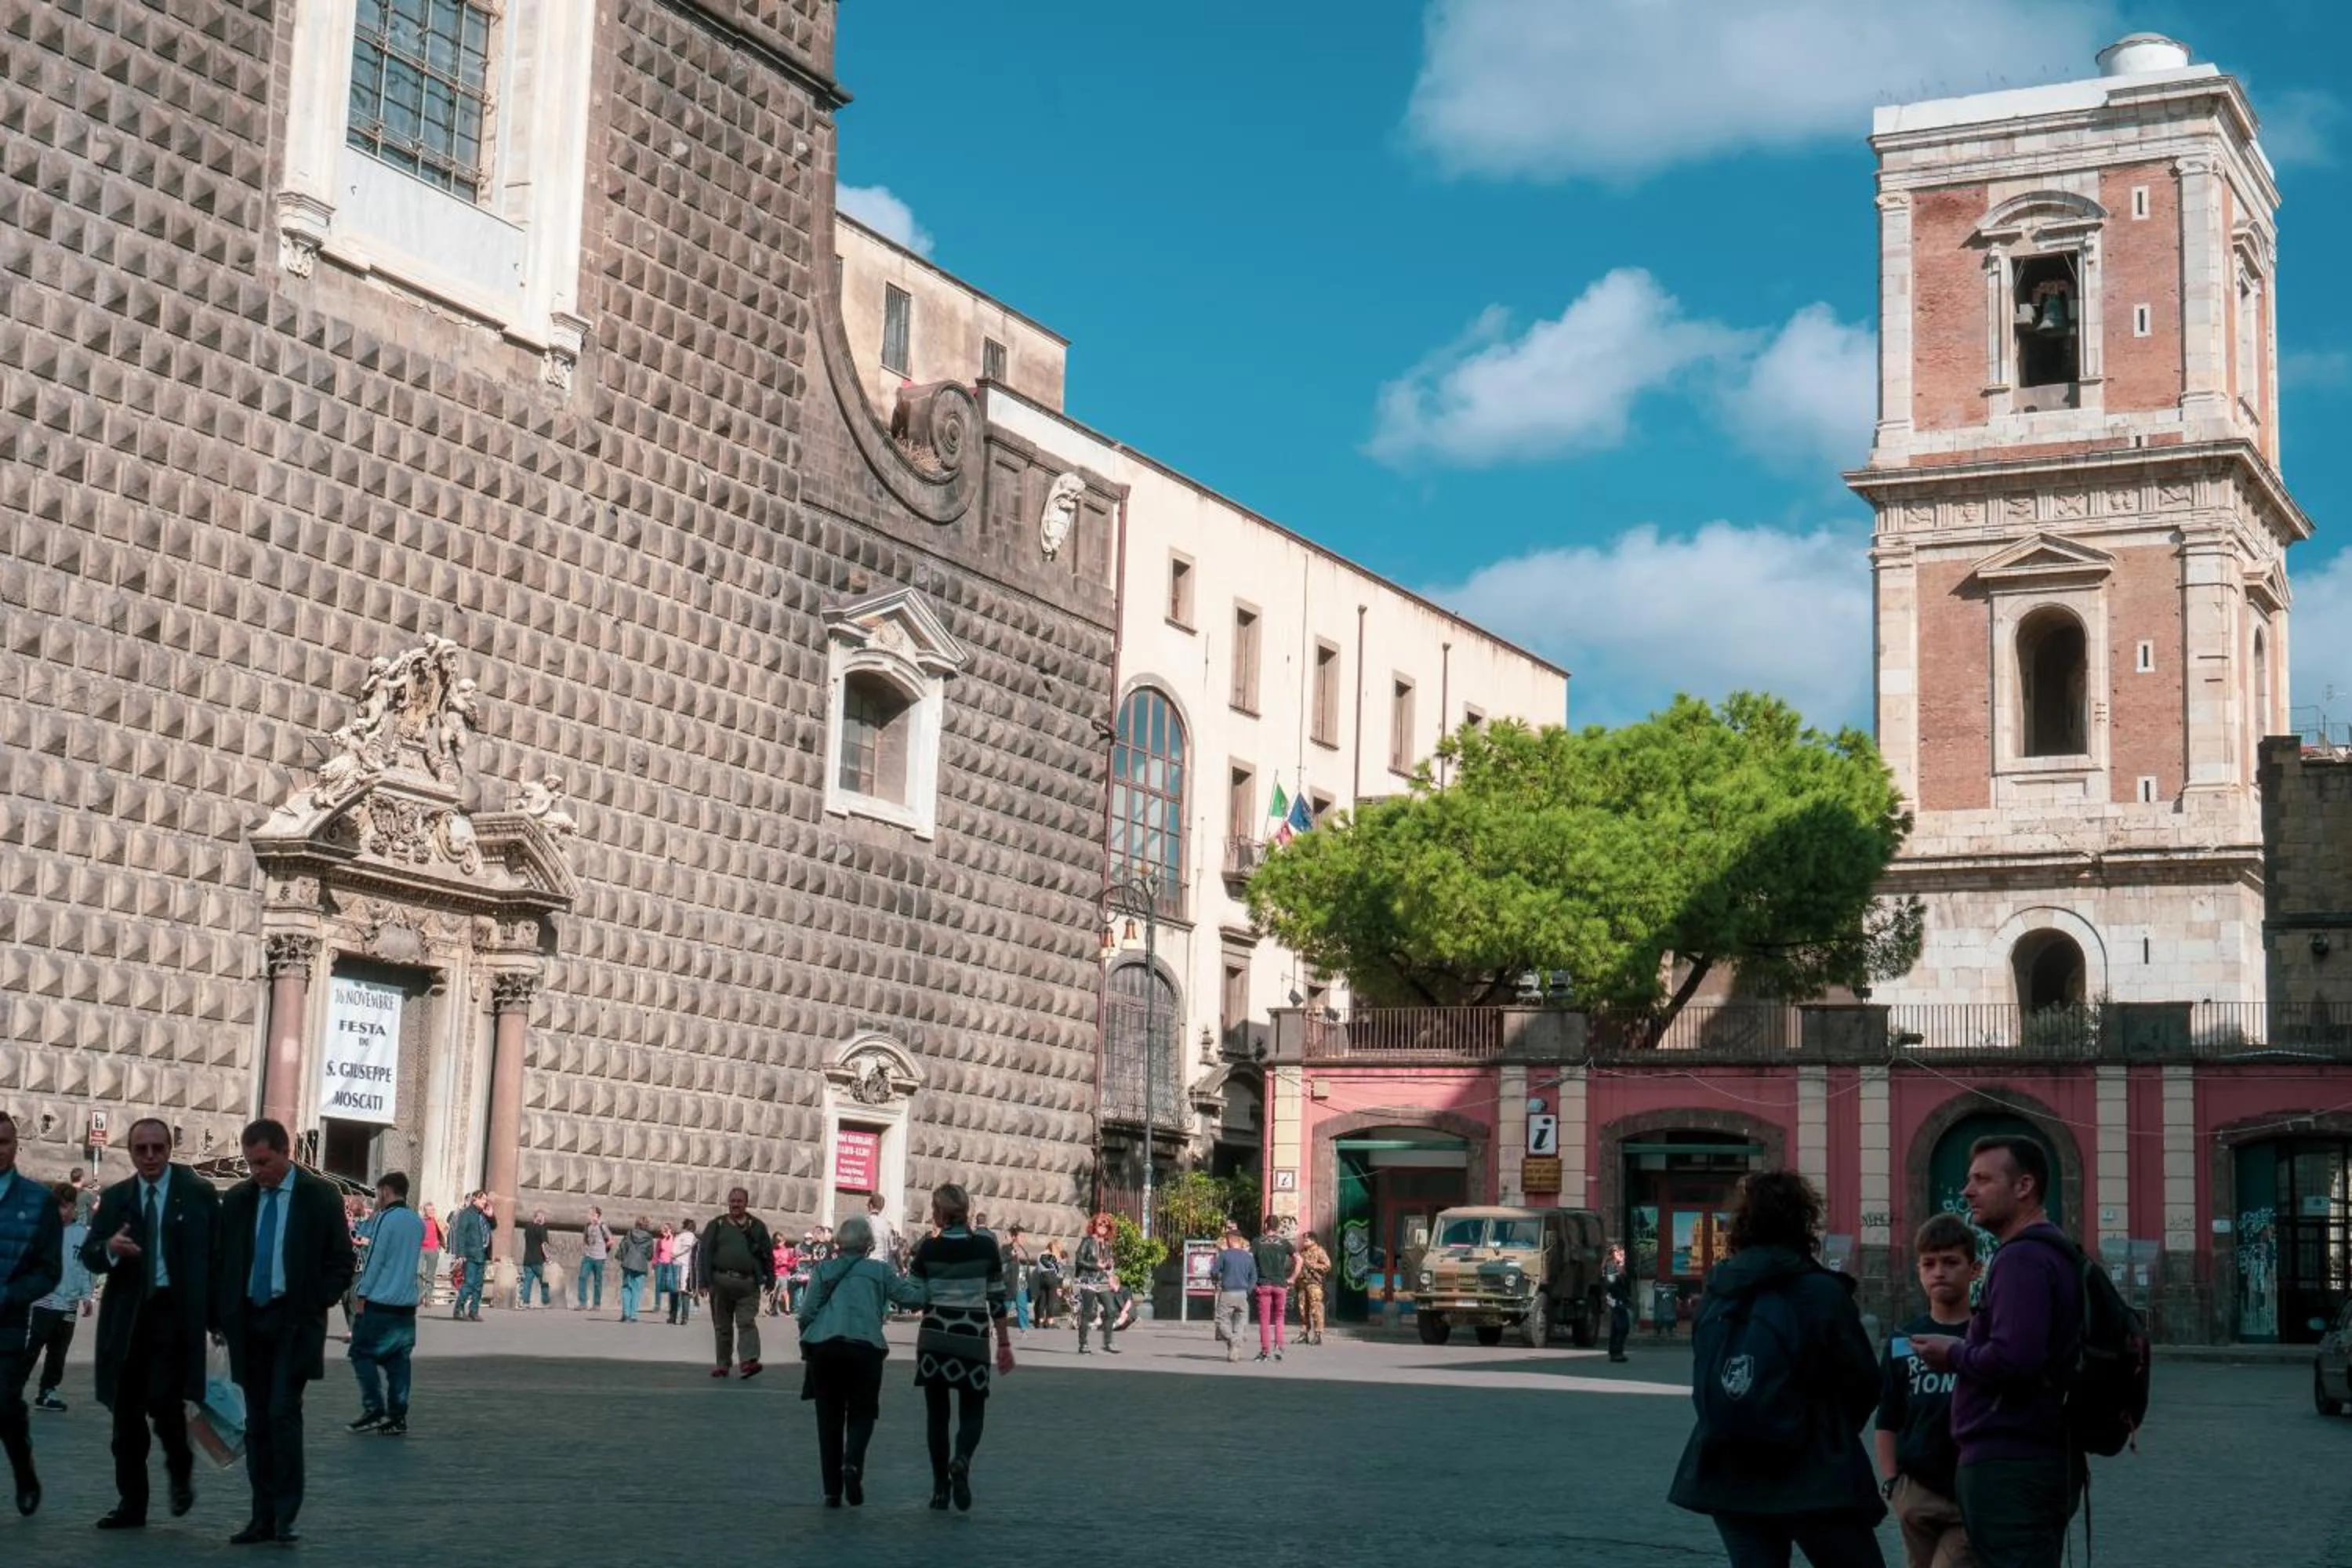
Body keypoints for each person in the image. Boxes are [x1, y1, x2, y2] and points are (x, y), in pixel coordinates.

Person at [1667, 1169, 1886, 1568]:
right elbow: (1865, 1382)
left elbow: (1705, 1370)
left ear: (1741, 1224)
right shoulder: (1822, 1293)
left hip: (1728, 1469)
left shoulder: (1718, 1290)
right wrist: (1831, 1429)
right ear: (1804, 1221)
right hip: (1813, 1471)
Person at [1911, 1138, 2084, 1568]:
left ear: (2024, 1186)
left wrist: (1954, 1354)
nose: (1968, 1190)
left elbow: (2014, 1359)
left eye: (1983, 1179)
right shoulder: (2052, 1250)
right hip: (2037, 1454)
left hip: (2012, 1462)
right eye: (1970, 1179)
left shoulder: (2021, 1259)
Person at [215, 1117, 358, 1547]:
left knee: (282, 1414)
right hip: (249, 1322)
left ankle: (285, 1514)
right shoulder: (239, 1200)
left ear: (285, 1153)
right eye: (251, 1163)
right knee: (256, 1422)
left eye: (264, 1162)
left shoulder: (319, 1196)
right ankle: (261, 1515)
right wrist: (221, 1313)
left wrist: (317, 1300)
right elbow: (223, 1259)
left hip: (293, 1323)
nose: (258, 1171)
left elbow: (341, 1260)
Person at [82, 1115, 217, 1530]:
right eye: (141, 1149)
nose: (150, 1156)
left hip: (175, 1317)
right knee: (125, 1418)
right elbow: (88, 1253)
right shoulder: (119, 1196)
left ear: (170, 1150)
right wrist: (110, 1248)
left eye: (158, 1148)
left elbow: (218, 1256)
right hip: (128, 1319)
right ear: (131, 1152)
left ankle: (180, 1473)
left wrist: (218, 1316)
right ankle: (131, 1504)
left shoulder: (198, 1193)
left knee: (165, 1406)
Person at [797, 1212, 927, 1507]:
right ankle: (852, 1463)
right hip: (865, 1349)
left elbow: (807, 1312)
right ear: (868, 1244)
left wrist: (808, 1339)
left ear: (840, 1243)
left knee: (828, 1420)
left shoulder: (824, 1270)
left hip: (825, 1350)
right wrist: (930, 1281)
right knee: (863, 1412)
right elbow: (911, 1298)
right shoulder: (879, 1271)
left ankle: (832, 1492)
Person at [1876, 1214, 1980, 1568]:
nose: (1939, 1272)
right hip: (1916, 1490)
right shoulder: (1903, 1340)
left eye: (1951, 1262)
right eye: (1929, 1264)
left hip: (1972, 1490)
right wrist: (1892, 1482)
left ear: (1974, 1269)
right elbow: (1888, 1415)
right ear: (1918, 1271)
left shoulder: (1989, 1336)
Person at [906, 1183, 1014, 1512]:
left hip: (935, 1337)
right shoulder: (985, 1246)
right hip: (972, 1338)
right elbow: (997, 1299)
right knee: (973, 1409)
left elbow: (914, 1297)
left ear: (938, 1213)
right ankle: (963, 1459)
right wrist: (1004, 1344)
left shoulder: (927, 1249)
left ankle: (940, 1488)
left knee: (937, 1416)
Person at [0, 1112, 64, 1517]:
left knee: (4, 1405)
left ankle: (24, 1471)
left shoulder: (36, 1200)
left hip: (5, 1322)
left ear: (15, 1146)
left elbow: (49, 1270)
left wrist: (9, 1294)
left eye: (4, 1142)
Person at [347, 1171, 426, 1437]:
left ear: (386, 1192)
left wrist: (362, 1294)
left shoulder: (386, 1219)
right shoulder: (417, 1222)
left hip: (381, 1301)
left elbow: (376, 1260)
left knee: (360, 1353)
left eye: (379, 1193)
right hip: (406, 1304)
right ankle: (397, 1416)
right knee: (399, 1362)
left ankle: (374, 1407)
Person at [24, 1181, 93, 1413]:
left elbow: (84, 1267)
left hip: (69, 1304)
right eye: (57, 1207)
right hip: (45, 1301)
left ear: (74, 1207)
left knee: (59, 1351)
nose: (62, 1212)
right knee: (32, 1348)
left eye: (66, 1207)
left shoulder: (81, 1234)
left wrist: (87, 1295)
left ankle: (48, 1391)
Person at [696, 1189, 771, 1375]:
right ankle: (723, 1364)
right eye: (732, 1201)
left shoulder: (757, 1226)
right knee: (722, 1325)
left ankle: (748, 1361)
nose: (735, 1204)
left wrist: (771, 1278)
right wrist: (703, 1281)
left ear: (746, 1203)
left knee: (746, 1322)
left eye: (739, 1201)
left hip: (748, 1284)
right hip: (720, 1282)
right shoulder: (717, 1225)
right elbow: (704, 1253)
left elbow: (767, 1254)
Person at [1250, 1212, 1298, 1363]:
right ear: (1278, 1227)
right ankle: (1279, 1349)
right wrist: (1292, 1278)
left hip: (1263, 1284)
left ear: (1266, 1226)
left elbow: (1250, 1261)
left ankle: (1265, 1351)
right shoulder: (1284, 1243)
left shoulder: (1257, 1242)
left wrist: (1252, 1281)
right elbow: (1299, 1259)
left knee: (1264, 1320)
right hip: (1280, 1285)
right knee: (1279, 1318)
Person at [1207, 1225, 1258, 1362]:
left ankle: (1232, 1340)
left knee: (1221, 1321)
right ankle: (1235, 1348)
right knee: (1241, 1323)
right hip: (1243, 1294)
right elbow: (1254, 1276)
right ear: (1240, 1240)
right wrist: (1248, 1290)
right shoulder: (1248, 1257)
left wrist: (1215, 1281)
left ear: (1230, 1240)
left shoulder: (1224, 1255)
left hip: (1227, 1293)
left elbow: (1214, 1272)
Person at [1073, 1213, 1118, 1356]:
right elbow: (1079, 1260)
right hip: (1088, 1279)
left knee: (1111, 1310)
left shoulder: (1107, 1244)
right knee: (1087, 1312)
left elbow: (1108, 1265)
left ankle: (1107, 1343)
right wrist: (1095, 1265)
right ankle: (1083, 1343)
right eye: (1100, 1224)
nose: (1103, 1227)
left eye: (1106, 1225)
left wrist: (1110, 1272)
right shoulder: (1087, 1241)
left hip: (1102, 1280)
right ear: (1094, 1226)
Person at [448, 1192, 489, 1321]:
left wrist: (492, 1217)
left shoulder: (483, 1215)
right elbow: (461, 1234)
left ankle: (474, 1311)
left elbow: (493, 1228)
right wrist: (460, 1253)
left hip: (482, 1254)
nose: (485, 1202)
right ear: (475, 1199)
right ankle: (459, 1309)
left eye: (486, 1200)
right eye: (483, 1199)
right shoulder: (467, 1213)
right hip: (470, 1254)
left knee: (478, 1285)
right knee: (469, 1283)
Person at [614, 1214, 655, 1323]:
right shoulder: (649, 1238)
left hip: (628, 1263)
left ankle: (626, 1314)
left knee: (626, 1288)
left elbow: (623, 1246)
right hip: (641, 1265)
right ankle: (633, 1315)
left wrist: (621, 1257)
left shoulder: (629, 1233)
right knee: (637, 1290)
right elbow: (650, 1254)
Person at [1296, 1230, 1333, 1346]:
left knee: (1316, 1308)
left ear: (1313, 1241)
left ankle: (1318, 1334)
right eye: (1304, 1240)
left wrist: (1313, 1266)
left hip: (1314, 1284)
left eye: (1306, 1240)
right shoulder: (1303, 1252)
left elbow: (1327, 1265)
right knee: (1303, 1309)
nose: (1304, 1242)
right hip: (1303, 1283)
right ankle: (1304, 1333)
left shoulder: (1319, 1251)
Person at [514, 1208, 552, 1309]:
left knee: (527, 1282)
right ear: (540, 1219)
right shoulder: (542, 1229)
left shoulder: (528, 1228)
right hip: (538, 1260)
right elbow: (544, 1244)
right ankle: (546, 1302)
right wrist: (548, 1258)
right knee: (544, 1282)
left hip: (527, 1260)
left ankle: (525, 1302)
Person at [575, 1206, 610, 1312]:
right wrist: (587, 1248)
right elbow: (585, 1239)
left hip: (599, 1258)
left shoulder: (602, 1226)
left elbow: (610, 1240)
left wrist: (604, 1251)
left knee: (597, 1281)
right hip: (588, 1256)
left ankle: (597, 1304)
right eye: (589, 1214)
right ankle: (582, 1303)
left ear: (597, 1215)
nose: (589, 1216)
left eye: (591, 1214)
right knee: (582, 1277)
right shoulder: (587, 1226)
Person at [1606, 1243, 1635, 1363]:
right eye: (1618, 1254)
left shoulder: (1620, 1267)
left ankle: (1616, 1351)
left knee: (1618, 1326)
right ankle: (1616, 1352)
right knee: (1621, 1326)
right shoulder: (1611, 1267)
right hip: (1615, 1300)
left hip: (1621, 1299)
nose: (1621, 1256)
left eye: (1622, 1254)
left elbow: (1626, 1284)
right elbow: (1611, 1284)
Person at [1003, 1224, 1032, 1334]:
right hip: (1010, 1282)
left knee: (1022, 1306)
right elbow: (1001, 1261)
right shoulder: (1006, 1248)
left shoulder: (1024, 1250)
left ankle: (1024, 1328)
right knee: (1006, 1305)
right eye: (1021, 1236)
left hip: (1021, 1282)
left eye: (1024, 1236)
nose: (1024, 1239)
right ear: (1014, 1237)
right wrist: (1010, 1255)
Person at [669, 1219, 698, 1324]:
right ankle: (685, 1317)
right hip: (690, 1267)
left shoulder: (680, 1237)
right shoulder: (695, 1239)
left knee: (674, 1291)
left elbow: (673, 1252)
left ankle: (673, 1316)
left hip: (678, 1265)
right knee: (686, 1291)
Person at [1033, 1239, 1065, 1328]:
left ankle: (1040, 1321)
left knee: (1042, 1300)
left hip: (1042, 1278)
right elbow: (1058, 1271)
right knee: (1051, 1300)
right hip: (1051, 1277)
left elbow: (1038, 1269)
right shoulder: (1054, 1256)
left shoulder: (1040, 1254)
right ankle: (1050, 1322)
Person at [418, 1203, 444, 1299]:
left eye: (433, 1210)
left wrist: (440, 1243)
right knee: (418, 1272)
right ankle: (422, 1292)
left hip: (433, 1249)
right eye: (429, 1210)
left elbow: (446, 1230)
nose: (431, 1212)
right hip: (421, 1249)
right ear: (425, 1211)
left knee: (430, 1274)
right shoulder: (420, 1221)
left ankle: (428, 1297)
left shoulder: (437, 1221)